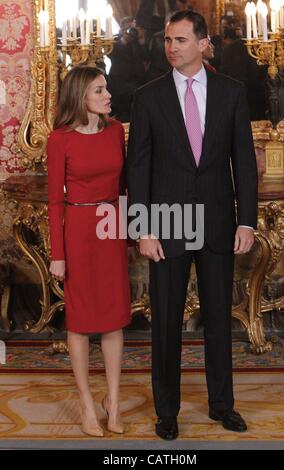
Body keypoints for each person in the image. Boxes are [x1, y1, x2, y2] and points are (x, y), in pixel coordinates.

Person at [127, 11, 258, 440]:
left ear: (203, 43)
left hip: (220, 222)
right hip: (166, 226)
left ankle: (223, 405)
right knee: (165, 322)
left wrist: (247, 222)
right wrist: (143, 229)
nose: (171, 47)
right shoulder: (148, 97)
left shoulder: (232, 92)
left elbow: (245, 162)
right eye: (168, 40)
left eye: (180, 40)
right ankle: (167, 410)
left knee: (219, 320)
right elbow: (138, 169)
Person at [47, 66, 133, 437]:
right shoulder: (59, 139)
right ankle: (86, 403)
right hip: (79, 233)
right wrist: (58, 253)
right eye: (99, 90)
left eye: (107, 88)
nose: (108, 94)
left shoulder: (115, 131)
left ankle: (111, 403)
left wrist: (130, 234)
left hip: (111, 227)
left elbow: (126, 186)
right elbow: (53, 203)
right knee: (80, 322)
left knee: (114, 318)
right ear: (80, 96)